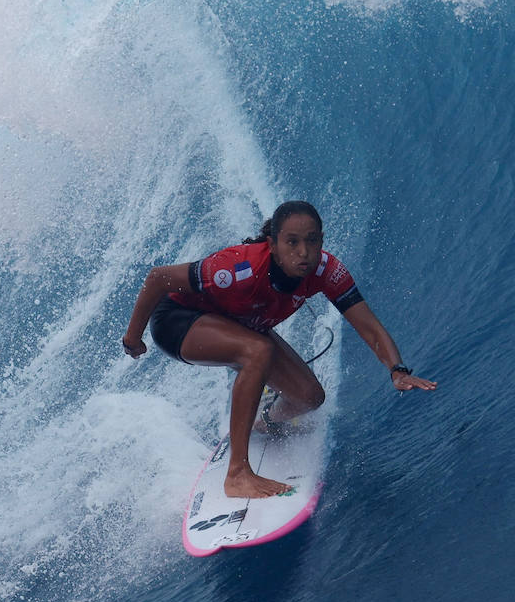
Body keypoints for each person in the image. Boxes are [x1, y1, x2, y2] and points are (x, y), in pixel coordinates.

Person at [121, 200, 437, 499]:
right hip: (178, 321)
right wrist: (133, 338)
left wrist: (397, 370)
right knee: (257, 350)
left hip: (239, 325)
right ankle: (238, 474)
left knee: (309, 397)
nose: (304, 252)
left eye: (312, 241)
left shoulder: (326, 271)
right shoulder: (238, 268)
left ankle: (265, 421)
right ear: (273, 245)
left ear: (321, 240)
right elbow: (159, 278)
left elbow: (368, 326)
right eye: (292, 242)